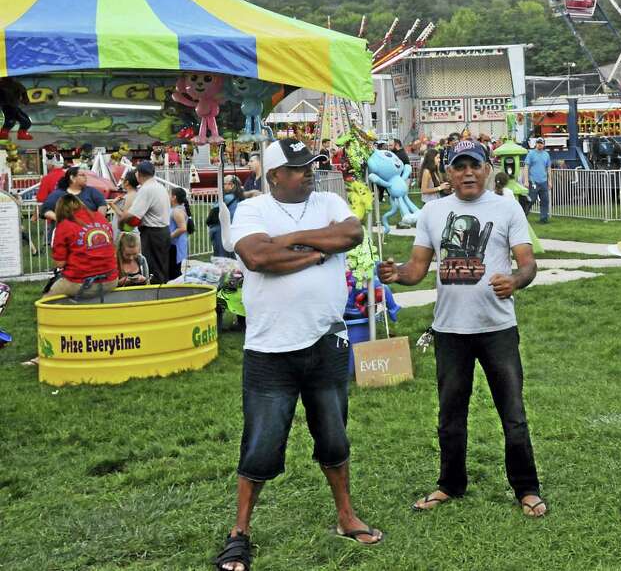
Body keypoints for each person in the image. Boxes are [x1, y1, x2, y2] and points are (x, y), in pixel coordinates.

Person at [215, 139, 379, 571]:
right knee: (261, 443)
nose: (309, 172)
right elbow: (256, 256)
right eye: (298, 167)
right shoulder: (252, 210)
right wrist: (319, 251)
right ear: (273, 176)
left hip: (327, 341)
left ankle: (346, 516)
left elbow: (352, 234)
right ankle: (240, 532)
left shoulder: (327, 199)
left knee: (334, 436)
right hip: (271, 349)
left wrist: (293, 241)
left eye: (311, 165)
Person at [378, 139, 545, 519]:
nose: (467, 173)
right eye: (459, 166)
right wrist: (395, 274)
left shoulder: (507, 208)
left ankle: (526, 488)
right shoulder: (433, 212)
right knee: (450, 414)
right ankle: (450, 484)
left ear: (487, 168)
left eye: (474, 165)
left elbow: (528, 264)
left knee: (513, 413)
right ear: (447, 173)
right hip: (450, 330)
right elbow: (417, 269)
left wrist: (516, 282)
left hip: (497, 328)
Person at [48, 193, 118, 298]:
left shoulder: (64, 226)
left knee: (48, 298)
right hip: (111, 280)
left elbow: (60, 263)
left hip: (81, 282)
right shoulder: (100, 217)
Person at [113, 161, 173, 284]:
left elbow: (133, 215)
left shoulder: (146, 189)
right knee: (161, 268)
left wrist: (121, 221)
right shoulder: (159, 186)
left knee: (153, 269)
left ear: (138, 174)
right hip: (163, 231)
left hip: (153, 233)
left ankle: (155, 296)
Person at [41, 166, 109, 239]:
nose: (85, 177)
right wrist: (62, 221)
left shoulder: (92, 191)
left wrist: (97, 222)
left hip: (89, 232)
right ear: (72, 178)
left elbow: (102, 205)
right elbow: (45, 210)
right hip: (66, 234)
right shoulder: (58, 194)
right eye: (82, 175)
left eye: (85, 175)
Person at [209, 175, 245, 259]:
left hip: (221, 231)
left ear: (231, 185)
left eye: (224, 184)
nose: (222, 187)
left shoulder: (226, 198)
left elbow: (213, 211)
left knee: (222, 259)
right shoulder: (241, 197)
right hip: (234, 230)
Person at [524, 138, 552, 224]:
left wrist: (550, 181)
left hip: (543, 181)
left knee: (545, 200)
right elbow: (526, 167)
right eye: (538, 143)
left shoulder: (546, 155)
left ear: (544, 144)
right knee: (531, 200)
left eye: (541, 143)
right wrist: (526, 180)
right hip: (533, 181)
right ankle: (523, 217)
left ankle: (543, 219)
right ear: (536, 144)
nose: (540, 144)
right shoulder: (531, 154)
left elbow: (548, 168)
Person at [169, 187, 191, 281]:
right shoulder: (175, 209)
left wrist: (168, 237)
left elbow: (182, 228)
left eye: (169, 195)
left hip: (175, 245)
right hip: (174, 244)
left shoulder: (177, 211)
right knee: (173, 270)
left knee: (174, 271)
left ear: (174, 197)